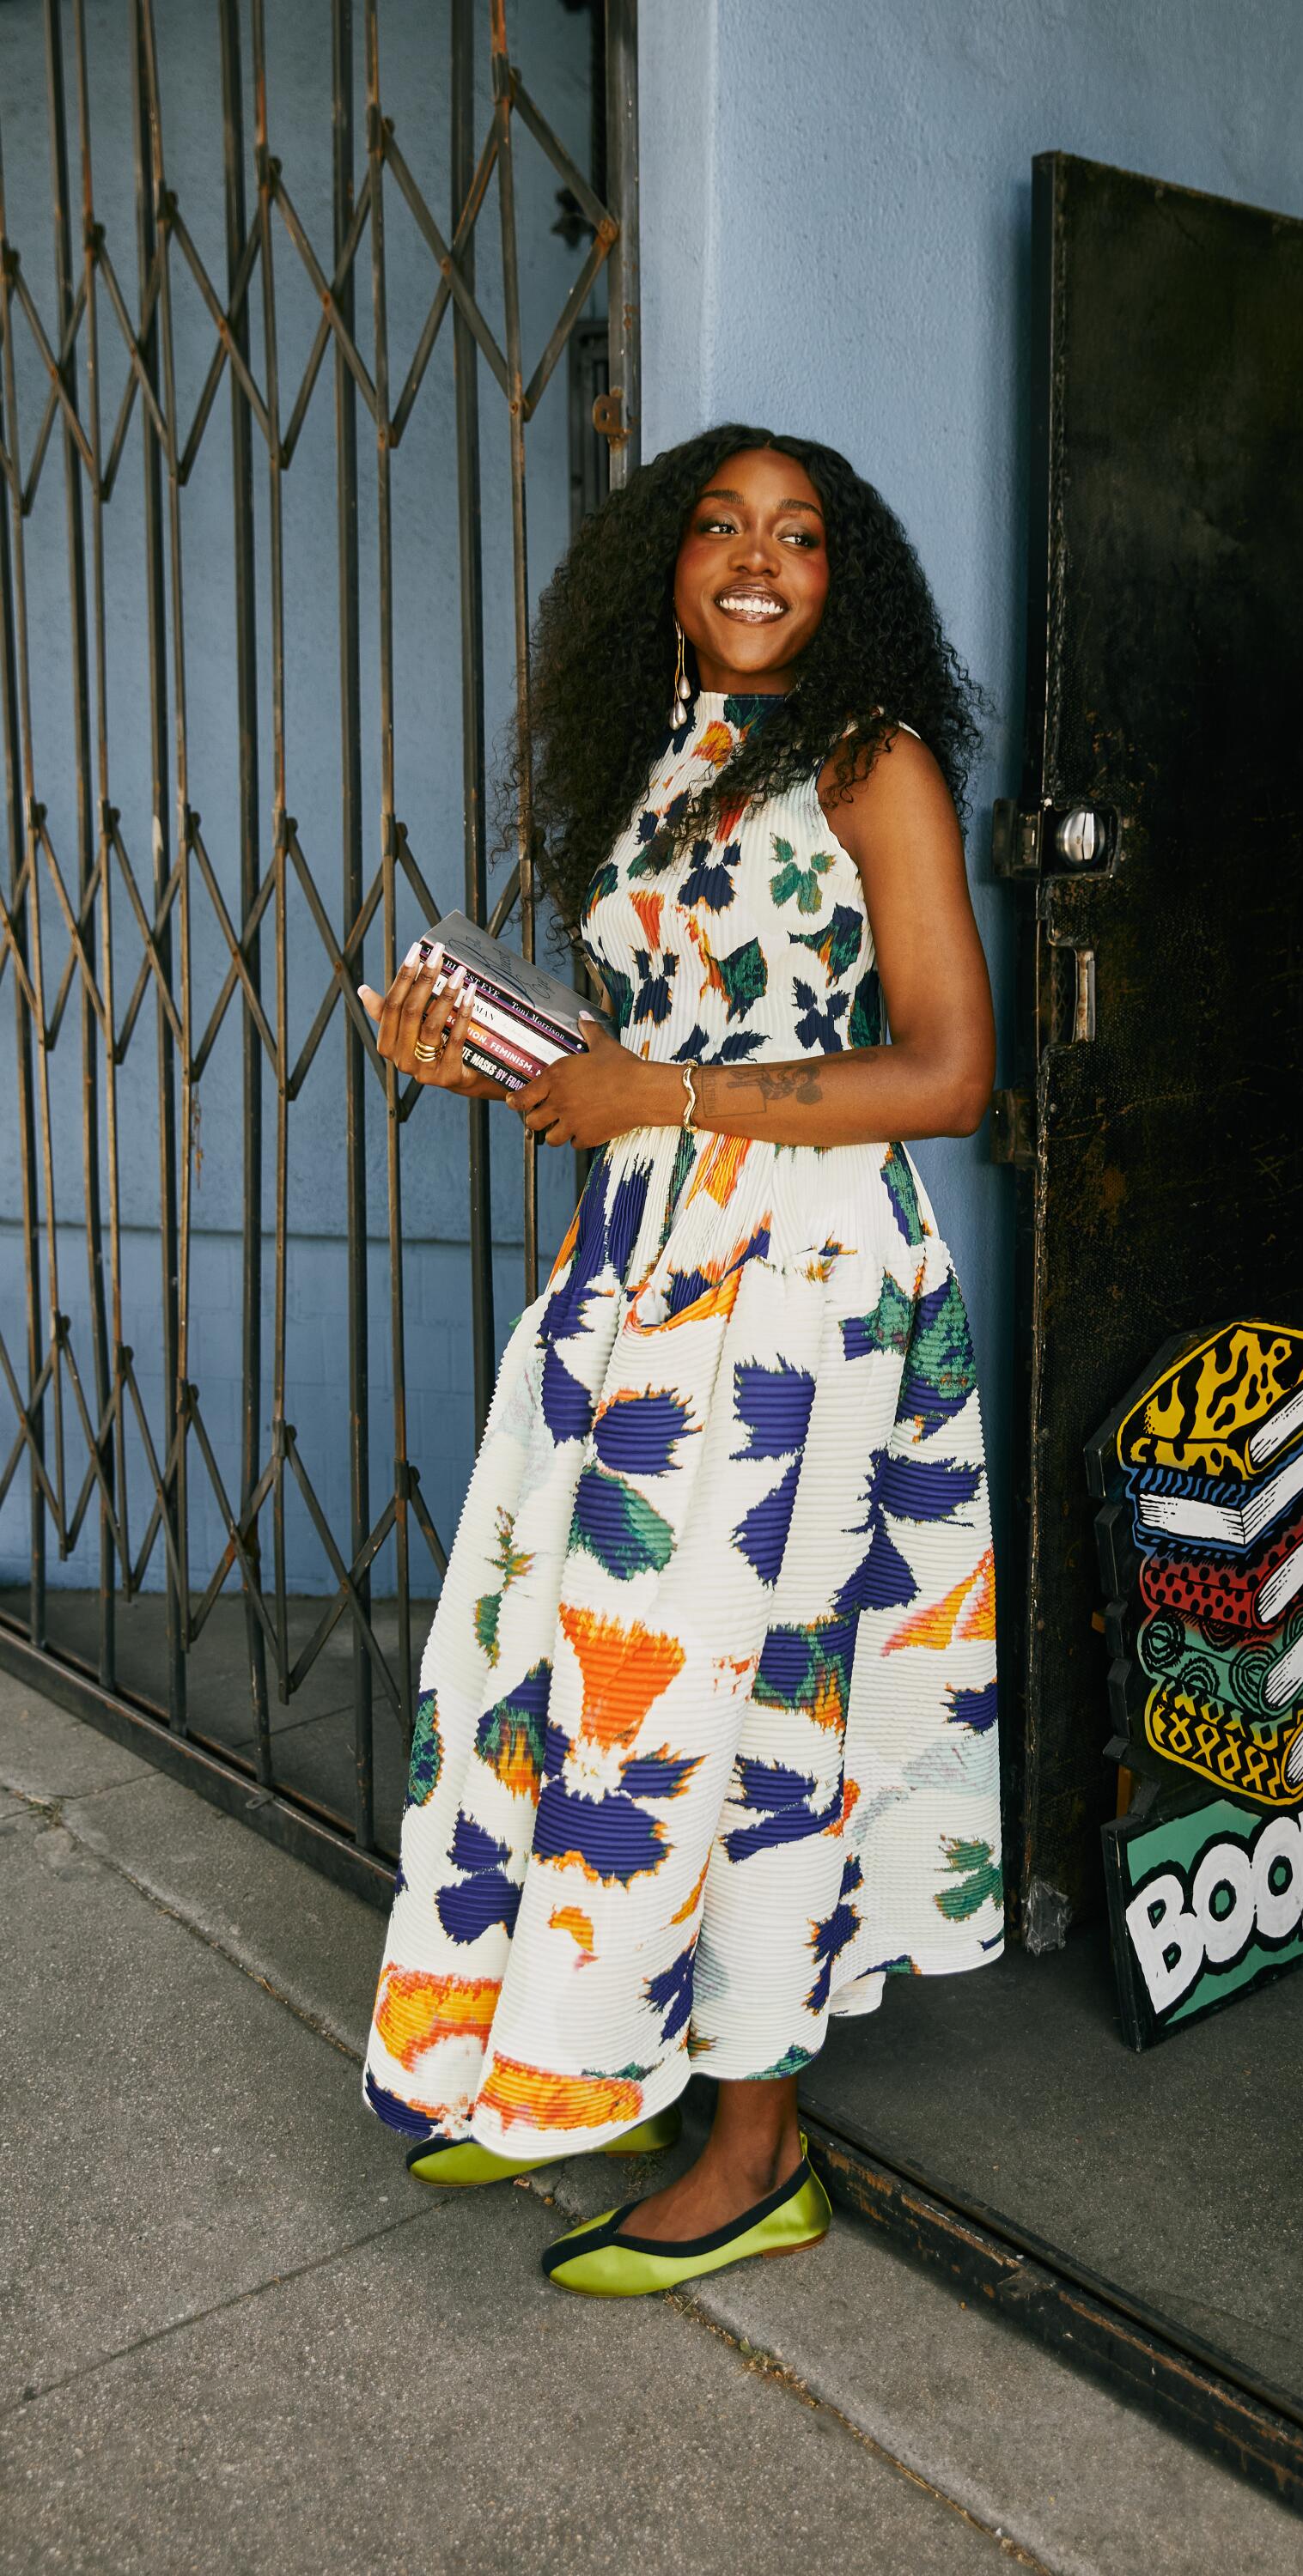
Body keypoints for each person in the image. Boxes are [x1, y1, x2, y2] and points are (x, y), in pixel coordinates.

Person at [356, 428, 1002, 2298]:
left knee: (754, 1709)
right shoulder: (647, 767)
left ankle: (757, 2152)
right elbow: (626, 1068)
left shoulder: (872, 761)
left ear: (841, 576)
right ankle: (587, 2054)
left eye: (798, 534)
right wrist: (480, 1055)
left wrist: (666, 1095)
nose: (754, 556)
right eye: (718, 524)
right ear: (664, 562)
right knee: (574, 1680)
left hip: (804, 1298)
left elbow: (950, 1075)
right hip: (635, 1280)